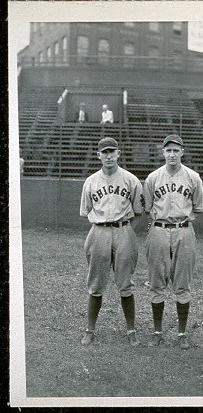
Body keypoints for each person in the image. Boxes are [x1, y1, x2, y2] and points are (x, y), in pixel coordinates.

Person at [79, 137, 146, 346]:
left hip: (123, 229)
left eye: (112, 152)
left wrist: (126, 230)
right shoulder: (91, 181)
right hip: (99, 231)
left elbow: (138, 211)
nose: (108, 156)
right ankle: (90, 330)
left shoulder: (131, 180)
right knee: (96, 283)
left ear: (118, 153)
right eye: (104, 152)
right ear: (98, 155)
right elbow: (86, 211)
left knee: (125, 283)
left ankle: (131, 330)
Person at [142, 135, 203, 348]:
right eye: (168, 150)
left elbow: (198, 207)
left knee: (183, 282)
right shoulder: (152, 178)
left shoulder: (193, 177)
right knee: (157, 282)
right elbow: (148, 206)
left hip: (184, 230)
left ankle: (182, 333)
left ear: (182, 152)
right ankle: (157, 331)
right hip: (158, 230)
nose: (172, 154)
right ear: (163, 153)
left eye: (176, 150)